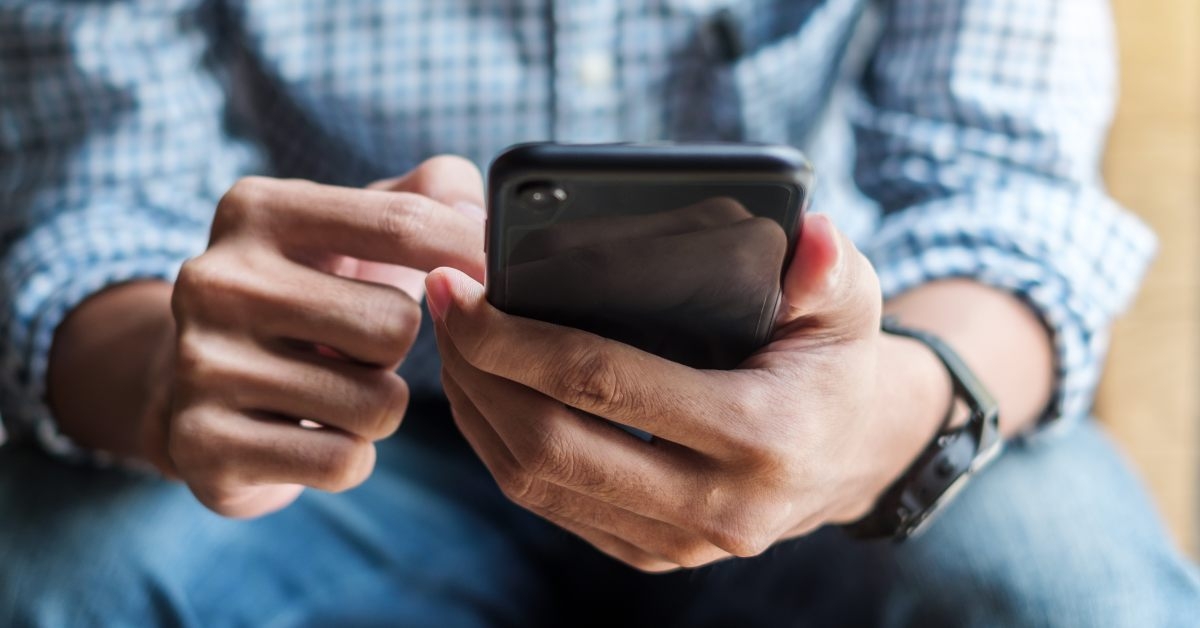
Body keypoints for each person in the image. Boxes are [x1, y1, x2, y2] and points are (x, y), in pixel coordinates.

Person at [1, 0, 1197, 625]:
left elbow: (1004, 187)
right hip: (362, 453)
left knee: (1076, 591)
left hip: (833, 415)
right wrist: (179, 381)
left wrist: (894, 418)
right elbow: (93, 203)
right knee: (53, 572)